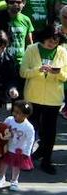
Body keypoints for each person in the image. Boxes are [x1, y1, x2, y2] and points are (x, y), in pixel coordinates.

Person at [22, 27, 67, 175]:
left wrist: (58, 72)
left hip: (53, 99)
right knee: (31, 130)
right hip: (33, 97)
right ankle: (25, 157)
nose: (52, 44)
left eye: (56, 42)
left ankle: (46, 160)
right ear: (43, 38)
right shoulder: (31, 49)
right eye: (49, 41)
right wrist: (37, 70)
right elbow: (23, 72)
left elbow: (66, 76)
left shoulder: (63, 51)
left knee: (49, 132)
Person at [0, 100, 35, 190]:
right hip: (7, 148)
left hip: (18, 150)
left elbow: (30, 140)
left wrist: (27, 152)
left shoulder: (28, 127)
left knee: (16, 167)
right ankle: (1, 178)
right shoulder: (9, 120)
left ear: (25, 115)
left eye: (17, 112)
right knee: (3, 164)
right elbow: (2, 128)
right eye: (14, 111)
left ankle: (14, 181)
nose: (14, 113)